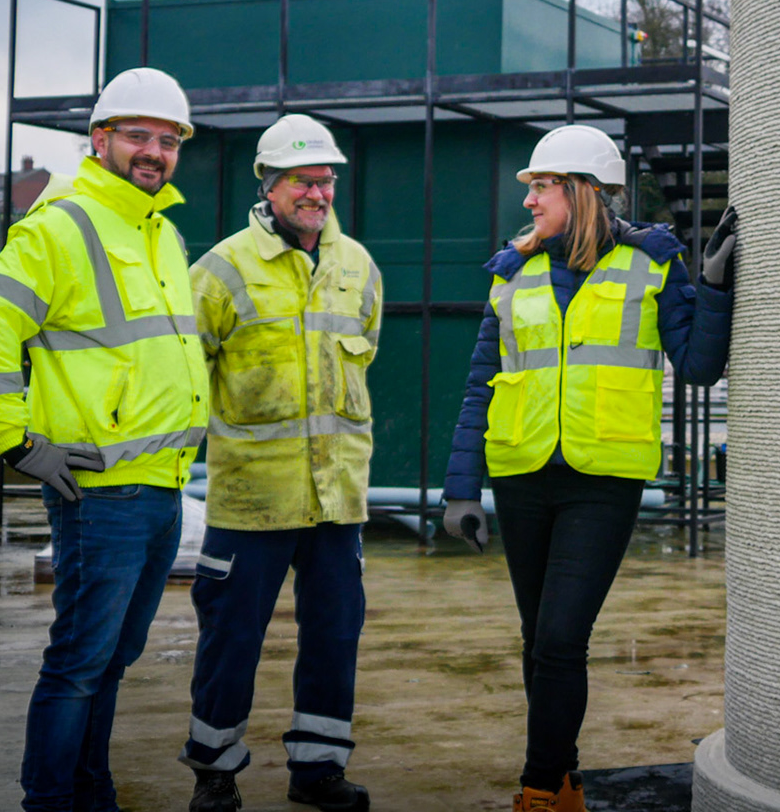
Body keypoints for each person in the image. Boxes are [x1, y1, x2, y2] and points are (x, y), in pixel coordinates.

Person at [442, 124, 737, 812]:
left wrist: (717, 288)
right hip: (521, 472)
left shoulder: (653, 262)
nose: (532, 200)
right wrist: (462, 489)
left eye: (542, 186)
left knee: (561, 637)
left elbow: (697, 367)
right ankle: (565, 780)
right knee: (537, 639)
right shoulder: (512, 274)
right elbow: (480, 384)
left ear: (584, 193)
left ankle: (539, 791)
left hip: (602, 480)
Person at [0, 67, 207, 812]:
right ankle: (51, 801)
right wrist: (19, 444)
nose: (153, 151)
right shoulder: (62, 225)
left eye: (167, 140)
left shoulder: (159, 231)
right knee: (79, 663)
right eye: (138, 136)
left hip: (161, 486)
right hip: (99, 491)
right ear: (101, 139)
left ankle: (93, 793)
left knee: (114, 659)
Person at [180, 114, 382, 812]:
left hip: (336, 499)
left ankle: (318, 770)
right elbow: (186, 375)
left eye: (326, 181)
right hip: (251, 500)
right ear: (268, 186)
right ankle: (214, 772)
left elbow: (366, 349)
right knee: (232, 641)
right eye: (304, 181)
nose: (319, 194)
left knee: (333, 637)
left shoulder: (356, 266)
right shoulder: (220, 270)